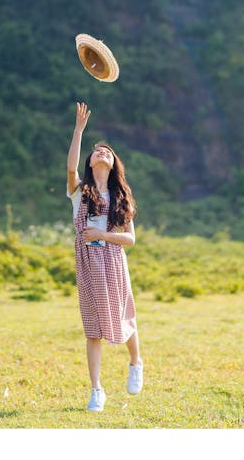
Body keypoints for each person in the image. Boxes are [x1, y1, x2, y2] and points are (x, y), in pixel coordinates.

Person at [67, 101, 143, 412]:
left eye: (107, 152)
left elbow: (131, 238)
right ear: (90, 160)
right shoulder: (79, 191)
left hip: (113, 262)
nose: (102, 152)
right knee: (93, 328)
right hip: (87, 264)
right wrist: (78, 130)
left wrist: (103, 236)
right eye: (97, 151)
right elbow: (70, 168)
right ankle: (97, 390)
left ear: (113, 163)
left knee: (124, 317)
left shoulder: (121, 197)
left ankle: (136, 361)